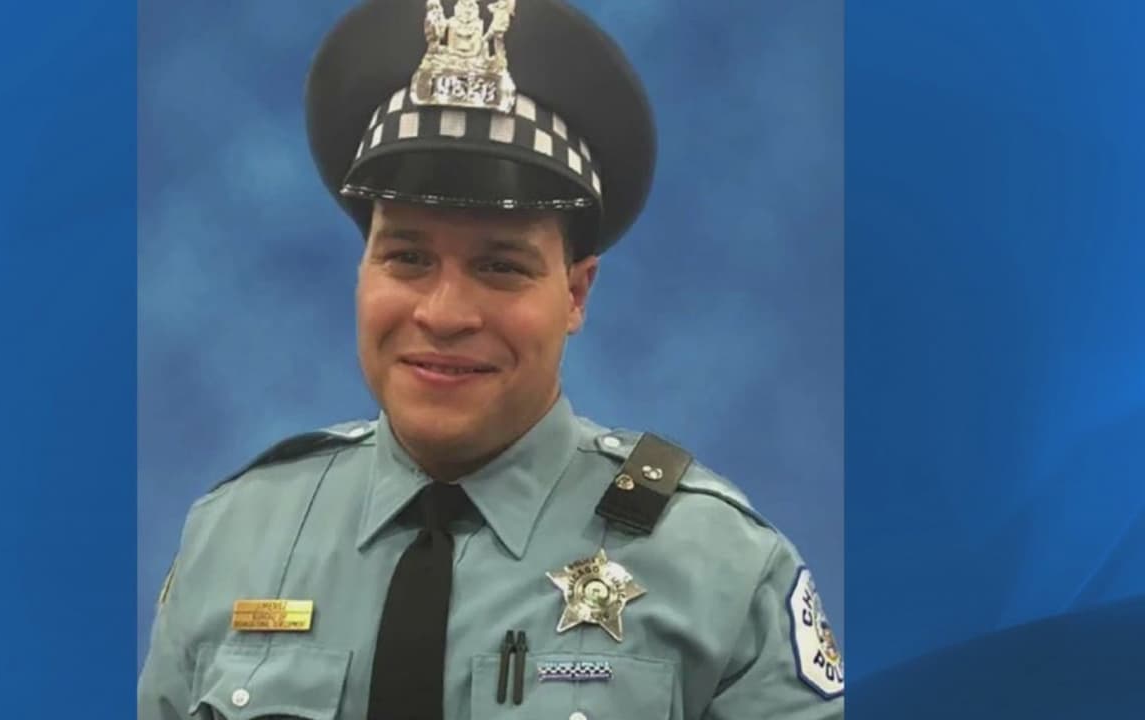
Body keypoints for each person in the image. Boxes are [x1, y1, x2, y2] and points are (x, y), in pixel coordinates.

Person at [137, 1, 844, 718]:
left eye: (500, 267)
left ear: (575, 294)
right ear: (362, 271)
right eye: (407, 257)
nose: (444, 313)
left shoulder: (720, 571)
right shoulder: (233, 537)